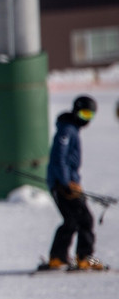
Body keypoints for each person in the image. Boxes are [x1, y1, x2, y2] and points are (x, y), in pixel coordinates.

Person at [42, 95, 106, 271]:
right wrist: (66, 183)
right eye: (84, 114)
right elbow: (59, 158)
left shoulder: (71, 129)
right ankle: (84, 258)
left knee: (71, 221)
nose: (86, 120)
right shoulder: (67, 131)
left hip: (66, 183)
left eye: (90, 116)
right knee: (85, 220)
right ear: (76, 111)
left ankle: (59, 257)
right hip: (63, 185)